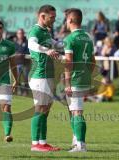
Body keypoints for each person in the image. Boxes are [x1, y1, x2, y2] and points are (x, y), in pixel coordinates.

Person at [28, 5, 60, 152]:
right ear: (42, 16)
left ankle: (43, 142)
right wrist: (47, 51)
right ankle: (35, 144)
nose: (54, 20)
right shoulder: (35, 31)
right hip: (39, 75)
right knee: (40, 108)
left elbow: (58, 44)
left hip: (48, 74)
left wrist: (72, 44)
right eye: (51, 17)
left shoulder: (45, 32)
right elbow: (32, 44)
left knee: (46, 109)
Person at [64, 8, 95, 152]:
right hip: (85, 77)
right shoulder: (88, 37)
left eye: (66, 19)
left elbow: (69, 62)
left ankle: (81, 145)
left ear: (70, 20)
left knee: (77, 112)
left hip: (75, 79)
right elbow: (93, 61)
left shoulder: (70, 39)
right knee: (74, 111)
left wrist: (67, 82)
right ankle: (76, 140)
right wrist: (88, 76)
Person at [14, 28, 30, 96]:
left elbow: (28, 51)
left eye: (22, 33)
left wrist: (22, 54)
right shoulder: (14, 43)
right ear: (17, 34)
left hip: (25, 63)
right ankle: (19, 91)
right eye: (19, 33)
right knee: (17, 79)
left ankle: (26, 92)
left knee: (26, 78)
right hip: (17, 63)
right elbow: (13, 52)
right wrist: (17, 53)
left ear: (23, 34)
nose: (20, 34)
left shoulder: (27, 42)